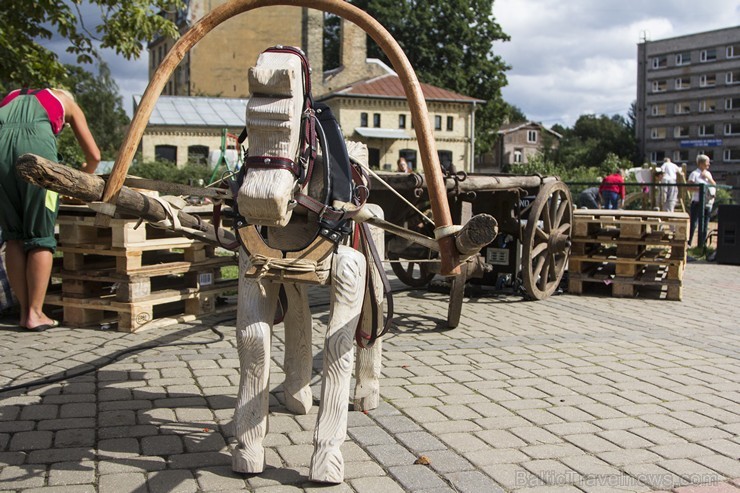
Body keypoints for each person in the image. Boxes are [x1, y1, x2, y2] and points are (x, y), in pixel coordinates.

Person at [0, 88, 100, 331]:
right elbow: (95, 156)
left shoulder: (11, 96)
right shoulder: (66, 101)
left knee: (13, 236)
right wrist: (78, 179)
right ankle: (35, 314)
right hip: (36, 151)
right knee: (40, 237)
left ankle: (24, 311)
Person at [687, 154, 716, 247]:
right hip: (697, 201)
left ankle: (702, 244)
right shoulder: (694, 174)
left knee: (705, 223)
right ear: (700, 163)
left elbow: (714, 184)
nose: (709, 164)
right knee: (694, 223)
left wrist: (708, 178)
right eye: (707, 162)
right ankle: (689, 242)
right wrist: (701, 190)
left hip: (707, 203)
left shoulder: (708, 173)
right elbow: (689, 187)